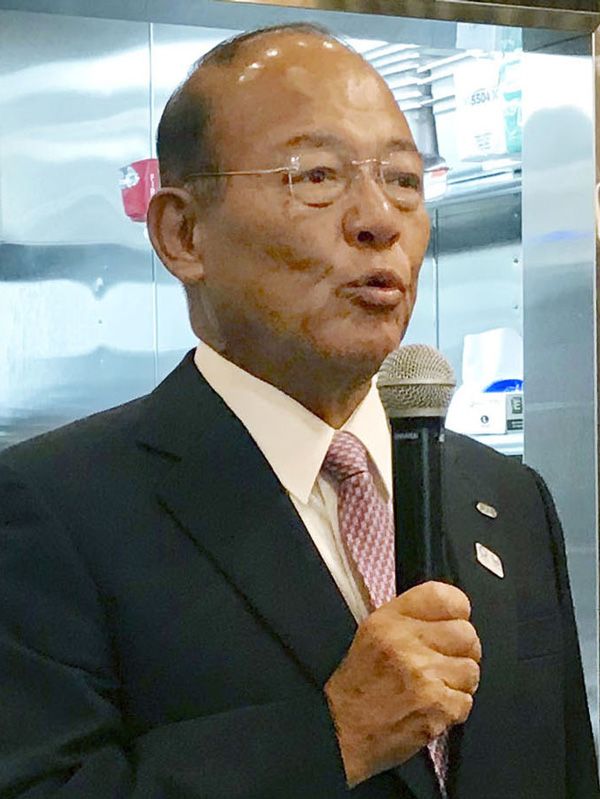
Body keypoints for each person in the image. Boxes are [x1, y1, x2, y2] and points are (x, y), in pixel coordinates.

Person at [0, 22, 597, 799]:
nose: (379, 219)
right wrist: (336, 733)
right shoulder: (53, 509)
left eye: (404, 179)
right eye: (316, 175)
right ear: (184, 234)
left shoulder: (507, 499)